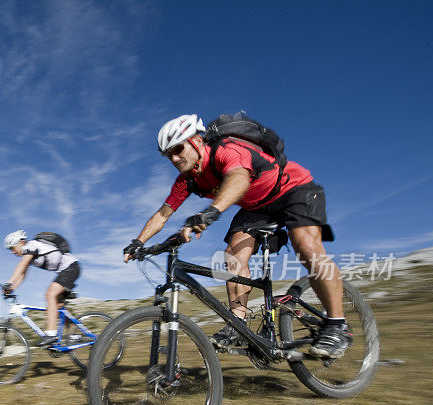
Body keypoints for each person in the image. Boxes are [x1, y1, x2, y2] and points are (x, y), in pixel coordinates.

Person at [122, 113, 352, 358]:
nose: (175, 158)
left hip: (293, 189)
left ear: (197, 141)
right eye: (169, 155)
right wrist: (138, 242)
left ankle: (337, 325)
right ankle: (238, 323)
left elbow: (238, 178)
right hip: (257, 206)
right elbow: (162, 214)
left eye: (178, 149)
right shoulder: (187, 180)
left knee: (307, 249)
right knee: (232, 256)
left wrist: (209, 213)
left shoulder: (227, 149)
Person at [2, 230, 80, 347]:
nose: (12, 252)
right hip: (66, 271)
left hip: (71, 268)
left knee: (50, 294)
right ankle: (75, 335)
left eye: (12, 248)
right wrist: (12, 288)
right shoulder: (29, 254)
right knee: (54, 308)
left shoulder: (31, 245)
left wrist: (8, 283)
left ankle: (50, 335)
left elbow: (21, 266)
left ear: (20, 243)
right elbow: (22, 274)